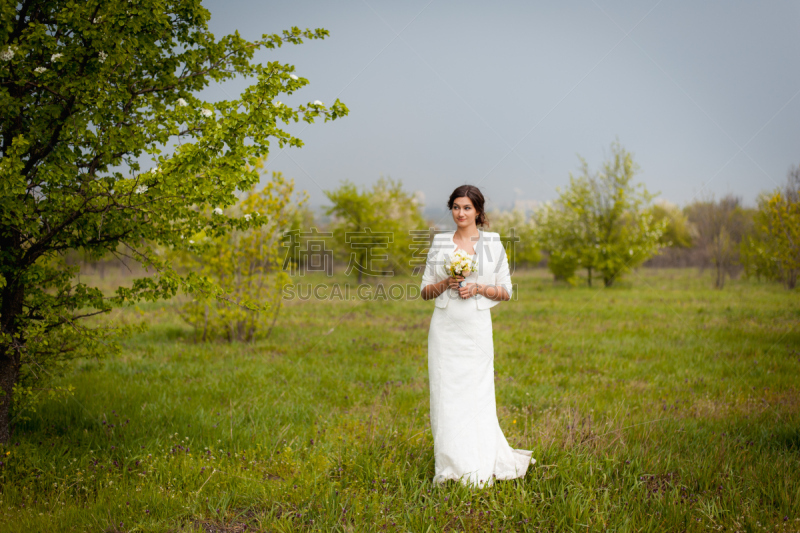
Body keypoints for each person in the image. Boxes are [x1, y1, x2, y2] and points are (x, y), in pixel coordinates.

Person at [420, 184, 535, 488]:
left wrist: (478, 288)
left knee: (476, 395)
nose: (461, 213)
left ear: (478, 211)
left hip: (476, 330)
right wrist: (448, 281)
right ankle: (450, 465)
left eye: (467, 208)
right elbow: (425, 292)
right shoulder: (440, 243)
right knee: (445, 396)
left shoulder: (493, 244)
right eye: (456, 207)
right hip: (444, 331)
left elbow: (506, 291)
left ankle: (478, 462)